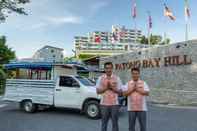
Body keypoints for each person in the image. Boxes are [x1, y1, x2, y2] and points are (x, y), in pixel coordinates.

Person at [96, 62, 122, 131]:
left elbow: (120, 93)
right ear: (104, 69)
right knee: (104, 123)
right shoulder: (100, 78)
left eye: (110, 68)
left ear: (112, 68)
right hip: (104, 104)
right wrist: (106, 88)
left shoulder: (117, 78)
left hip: (114, 104)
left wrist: (112, 88)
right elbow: (98, 91)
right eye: (107, 68)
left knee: (115, 123)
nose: (108, 70)